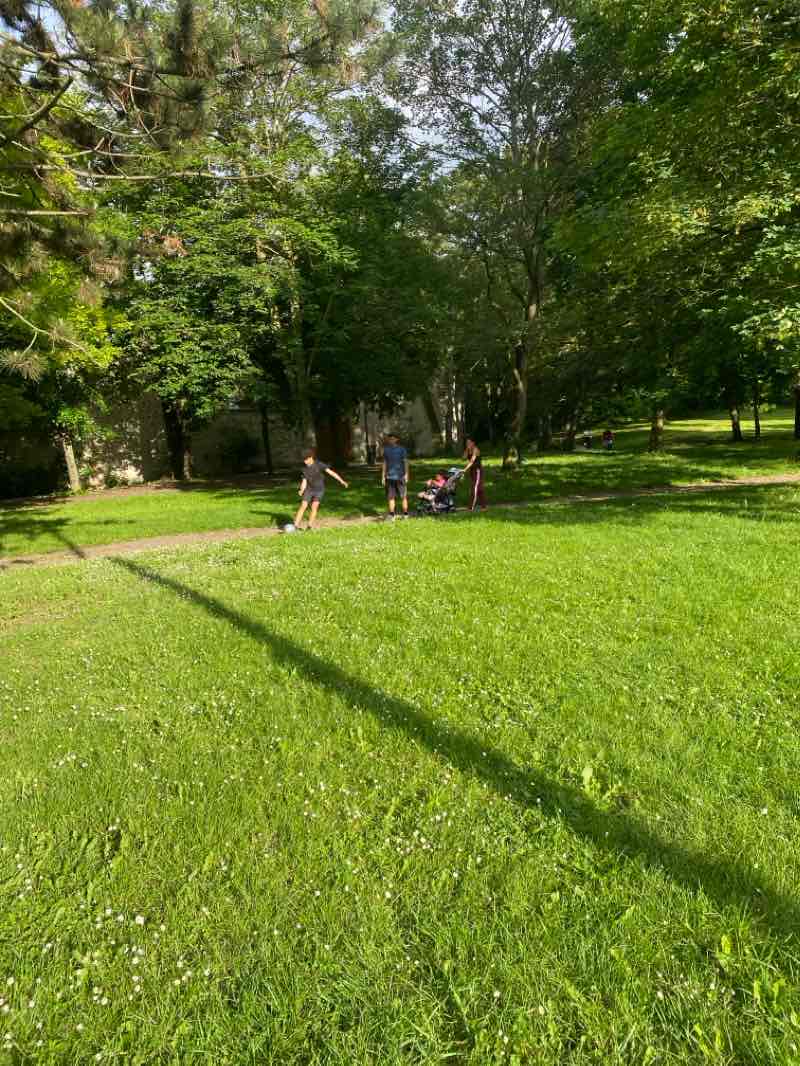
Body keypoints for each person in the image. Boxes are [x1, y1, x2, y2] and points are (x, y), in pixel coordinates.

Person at [294, 449, 348, 530]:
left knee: (314, 506)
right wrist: (301, 490)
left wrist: (341, 481)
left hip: (319, 490)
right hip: (309, 489)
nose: (304, 461)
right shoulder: (304, 469)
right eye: (303, 459)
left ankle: (309, 526)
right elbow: (304, 481)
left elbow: (331, 472)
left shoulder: (319, 464)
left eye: (306, 459)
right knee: (303, 506)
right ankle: (295, 526)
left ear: (311, 457)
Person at [382, 432, 410, 518]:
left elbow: (405, 462)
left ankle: (405, 514)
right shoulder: (386, 450)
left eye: (393, 439)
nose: (391, 440)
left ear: (397, 439)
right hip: (389, 477)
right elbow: (384, 463)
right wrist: (383, 476)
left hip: (400, 476)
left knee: (403, 496)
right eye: (390, 439)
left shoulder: (402, 449)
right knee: (391, 497)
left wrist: (407, 474)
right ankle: (392, 514)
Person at [463, 437, 487, 512]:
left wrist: (464, 469)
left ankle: (470, 507)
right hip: (472, 471)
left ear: (473, 443)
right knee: (480, 489)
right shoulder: (468, 450)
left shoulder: (475, 450)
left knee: (474, 488)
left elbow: (471, 462)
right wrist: (466, 450)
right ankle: (484, 507)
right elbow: (463, 458)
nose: (467, 444)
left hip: (478, 471)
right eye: (466, 443)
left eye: (469, 443)